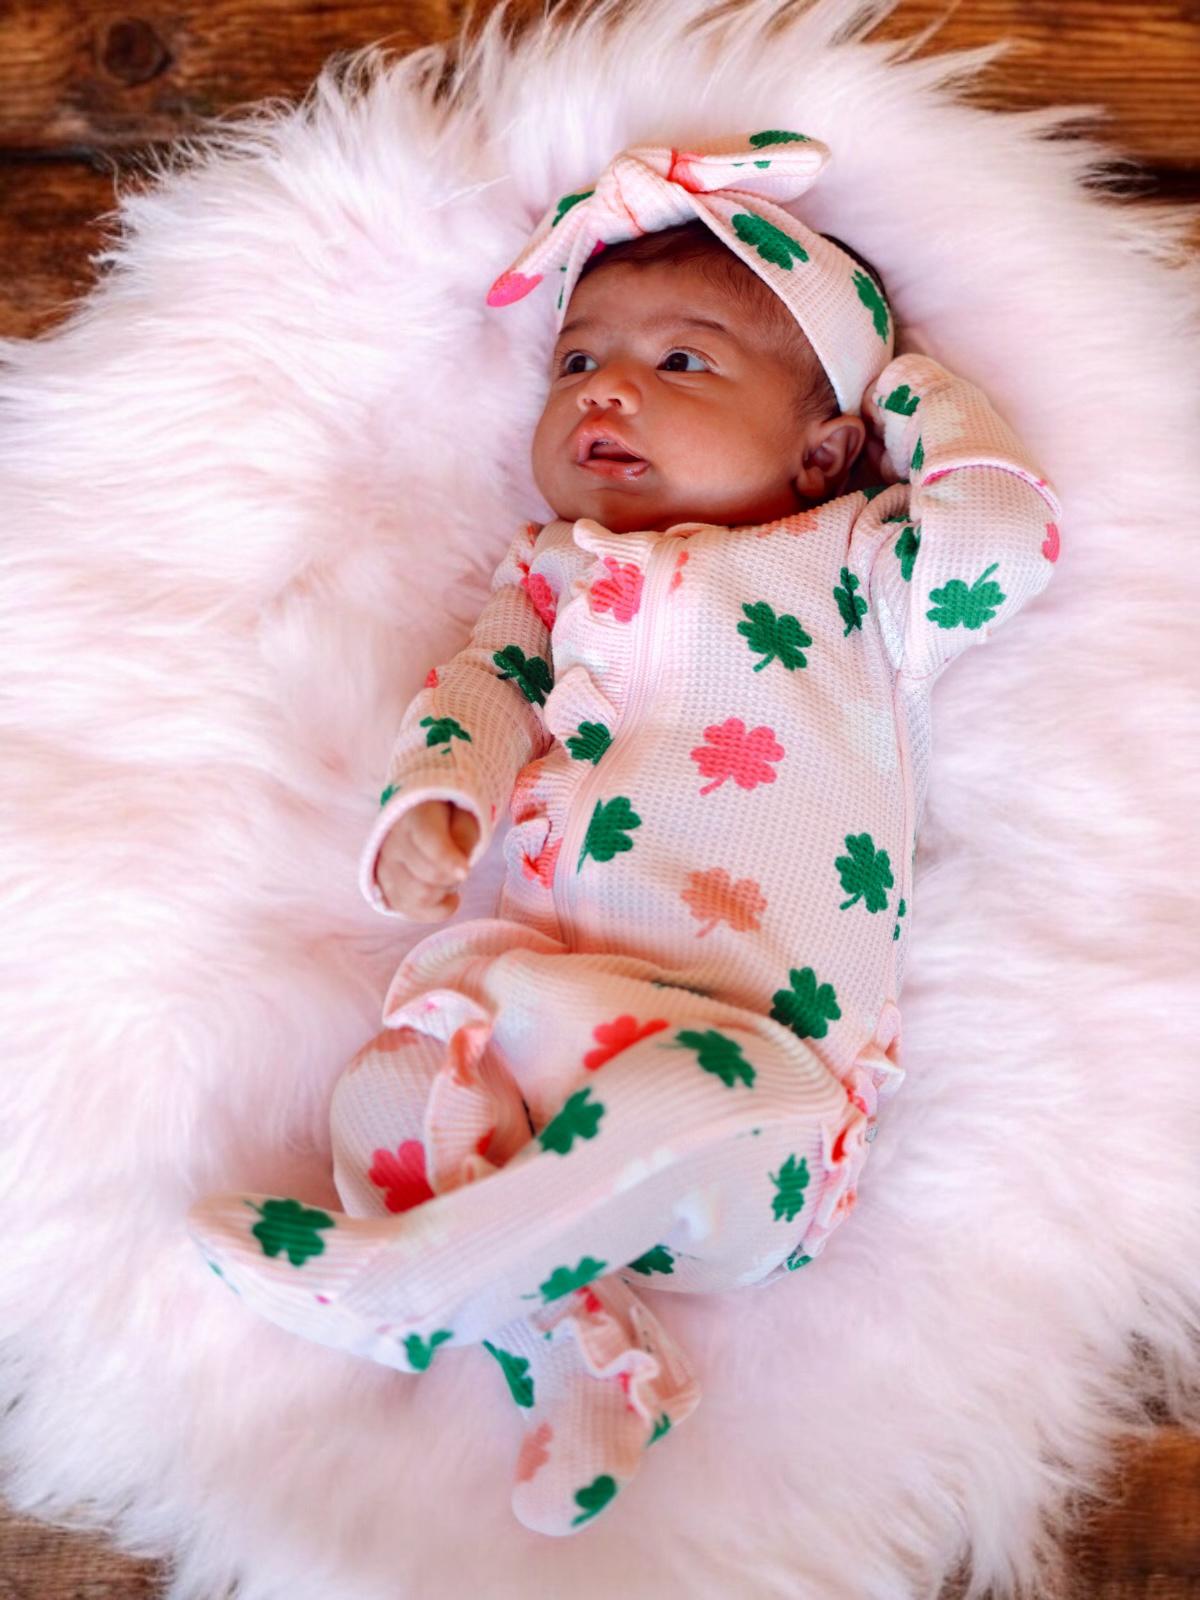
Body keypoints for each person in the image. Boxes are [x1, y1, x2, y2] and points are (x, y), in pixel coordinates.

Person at [190, 134, 1060, 1535]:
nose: (606, 384)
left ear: (826, 446)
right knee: (392, 1083)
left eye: (683, 362)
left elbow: (1007, 542)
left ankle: (415, 1286)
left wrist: (909, 385)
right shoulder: (547, 577)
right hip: (537, 1033)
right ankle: (580, 1350)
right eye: (578, 357)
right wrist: (439, 797)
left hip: (759, 1089)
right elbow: (475, 690)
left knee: (699, 1089)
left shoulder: (855, 568)